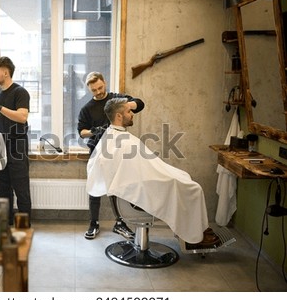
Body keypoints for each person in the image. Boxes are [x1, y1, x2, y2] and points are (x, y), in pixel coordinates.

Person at [86, 97, 220, 247]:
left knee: (184, 179)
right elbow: (140, 171)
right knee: (193, 188)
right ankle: (195, 236)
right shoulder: (121, 141)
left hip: (135, 186)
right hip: (134, 195)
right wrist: (168, 177)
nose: (132, 114)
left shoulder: (112, 136)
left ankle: (197, 231)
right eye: (129, 111)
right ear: (119, 116)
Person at [78, 72, 145, 240]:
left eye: (100, 88)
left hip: (118, 151)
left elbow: (140, 103)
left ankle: (120, 223)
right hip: (98, 152)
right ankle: (94, 223)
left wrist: (123, 106)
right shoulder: (86, 108)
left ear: (104, 82)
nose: (98, 92)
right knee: (94, 187)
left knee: (117, 187)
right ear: (89, 89)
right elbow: (81, 132)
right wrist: (94, 131)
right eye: (94, 90)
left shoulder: (116, 99)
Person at [0, 56, 32, 225]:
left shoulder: (20, 92)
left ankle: (24, 228)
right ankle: (7, 225)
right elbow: (0, 120)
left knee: (21, 189)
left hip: (17, 146)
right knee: (3, 189)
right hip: (1, 145)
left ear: (5, 72)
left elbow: (22, 117)